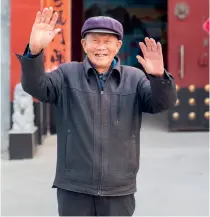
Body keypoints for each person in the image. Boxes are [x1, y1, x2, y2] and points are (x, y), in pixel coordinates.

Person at [16, 7, 177, 216]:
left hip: (118, 189)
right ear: (84, 44)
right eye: (95, 40)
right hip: (74, 187)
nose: (101, 47)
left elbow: (161, 103)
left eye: (107, 41)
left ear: (118, 45)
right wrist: (34, 52)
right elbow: (36, 87)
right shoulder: (67, 75)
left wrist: (158, 77)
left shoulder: (134, 78)